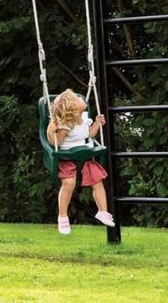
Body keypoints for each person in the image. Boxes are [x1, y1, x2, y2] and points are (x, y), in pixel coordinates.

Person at [46, 89, 114, 235]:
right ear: (74, 111)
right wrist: (51, 132)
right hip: (68, 160)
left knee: (98, 181)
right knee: (69, 183)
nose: (79, 98)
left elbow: (89, 134)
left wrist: (96, 124)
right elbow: (55, 142)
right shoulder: (65, 126)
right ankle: (63, 216)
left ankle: (102, 211)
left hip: (85, 157)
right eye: (76, 99)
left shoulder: (83, 118)